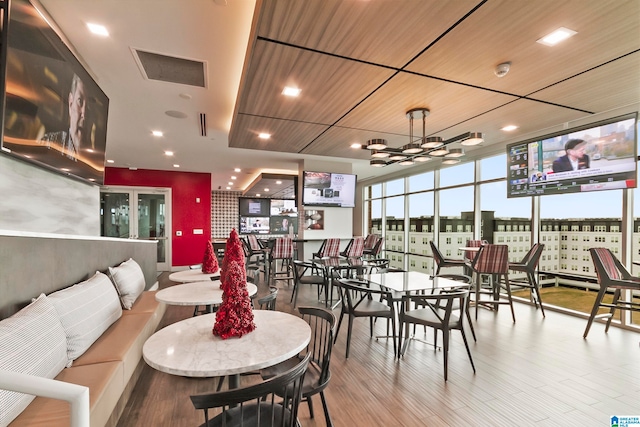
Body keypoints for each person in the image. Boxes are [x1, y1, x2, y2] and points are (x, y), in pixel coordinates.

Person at [39, 73, 87, 161]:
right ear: (70, 103)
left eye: (88, 107)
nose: (84, 113)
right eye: (80, 101)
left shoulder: (93, 159)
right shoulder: (49, 143)